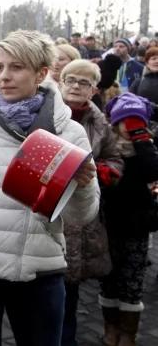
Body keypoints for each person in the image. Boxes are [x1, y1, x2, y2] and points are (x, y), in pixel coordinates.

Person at [0, 30, 100, 346]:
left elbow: (82, 215)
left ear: (41, 73)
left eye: (16, 67)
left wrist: (82, 185)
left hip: (40, 271)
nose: (4, 76)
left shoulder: (69, 133)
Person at [58, 59, 122, 346]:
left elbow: (114, 158)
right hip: (43, 211)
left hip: (79, 216)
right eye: (70, 79)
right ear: (60, 81)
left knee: (67, 299)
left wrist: (102, 174)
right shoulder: (44, 112)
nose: (75, 85)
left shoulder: (99, 122)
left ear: (94, 89)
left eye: (84, 82)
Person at [100, 92, 158, 346]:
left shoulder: (147, 148)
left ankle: (129, 333)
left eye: (137, 121)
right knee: (109, 278)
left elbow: (152, 171)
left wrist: (142, 141)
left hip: (137, 224)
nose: (130, 127)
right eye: (126, 121)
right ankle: (110, 327)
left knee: (133, 280)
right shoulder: (108, 146)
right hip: (109, 222)